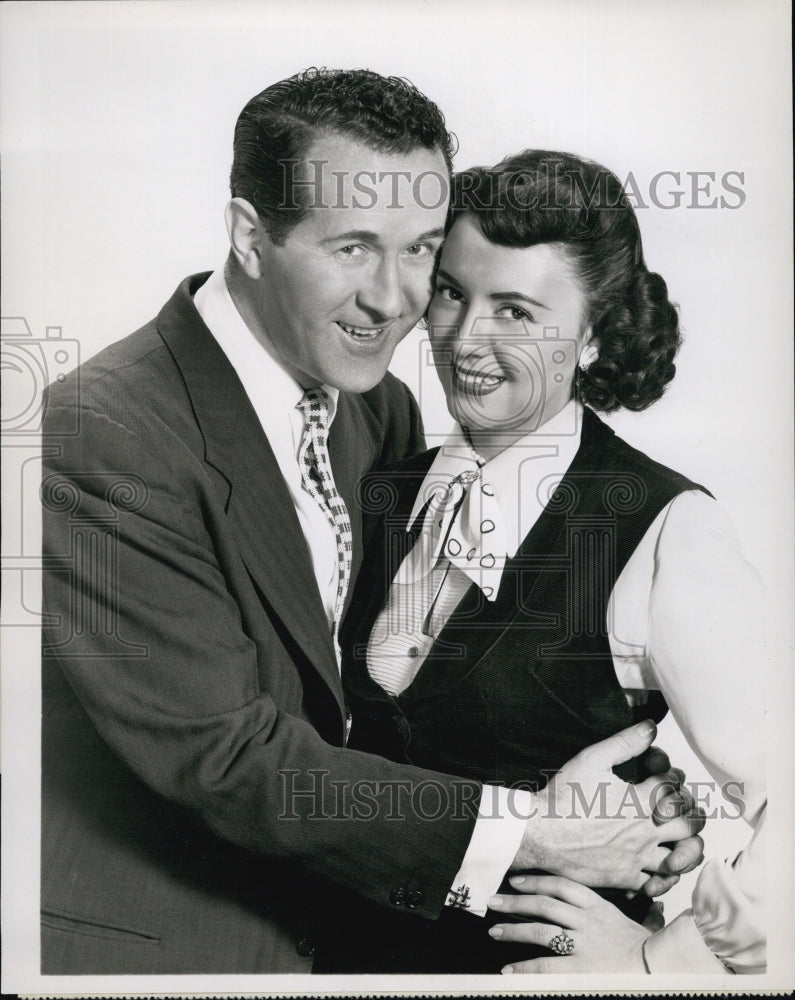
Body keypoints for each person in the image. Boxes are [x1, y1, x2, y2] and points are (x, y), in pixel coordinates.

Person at [40, 72, 702, 975]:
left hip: (360, 943)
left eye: (420, 249)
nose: (392, 301)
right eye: (353, 247)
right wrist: (533, 831)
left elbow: (377, 709)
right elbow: (227, 756)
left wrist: (622, 797)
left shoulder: (374, 407)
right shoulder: (103, 435)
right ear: (248, 237)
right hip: (170, 957)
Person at [332, 150, 766, 974]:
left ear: (594, 332)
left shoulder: (664, 529)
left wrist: (664, 965)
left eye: (517, 312)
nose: (463, 339)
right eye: (453, 292)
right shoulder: (383, 490)